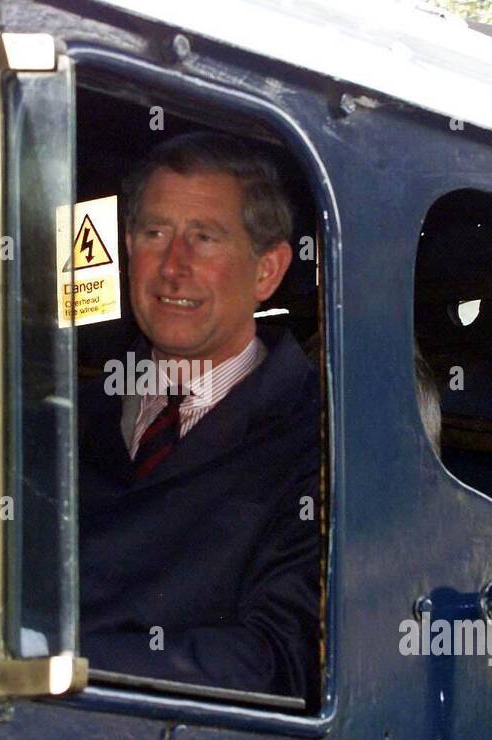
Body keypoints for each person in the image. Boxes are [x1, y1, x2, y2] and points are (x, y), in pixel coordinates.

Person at [78, 132, 321, 703]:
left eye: (205, 239)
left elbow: (281, 661)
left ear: (267, 271)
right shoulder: (61, 422)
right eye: (154, 233)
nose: (172, 267)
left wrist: (59, 659)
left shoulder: (322, 440)